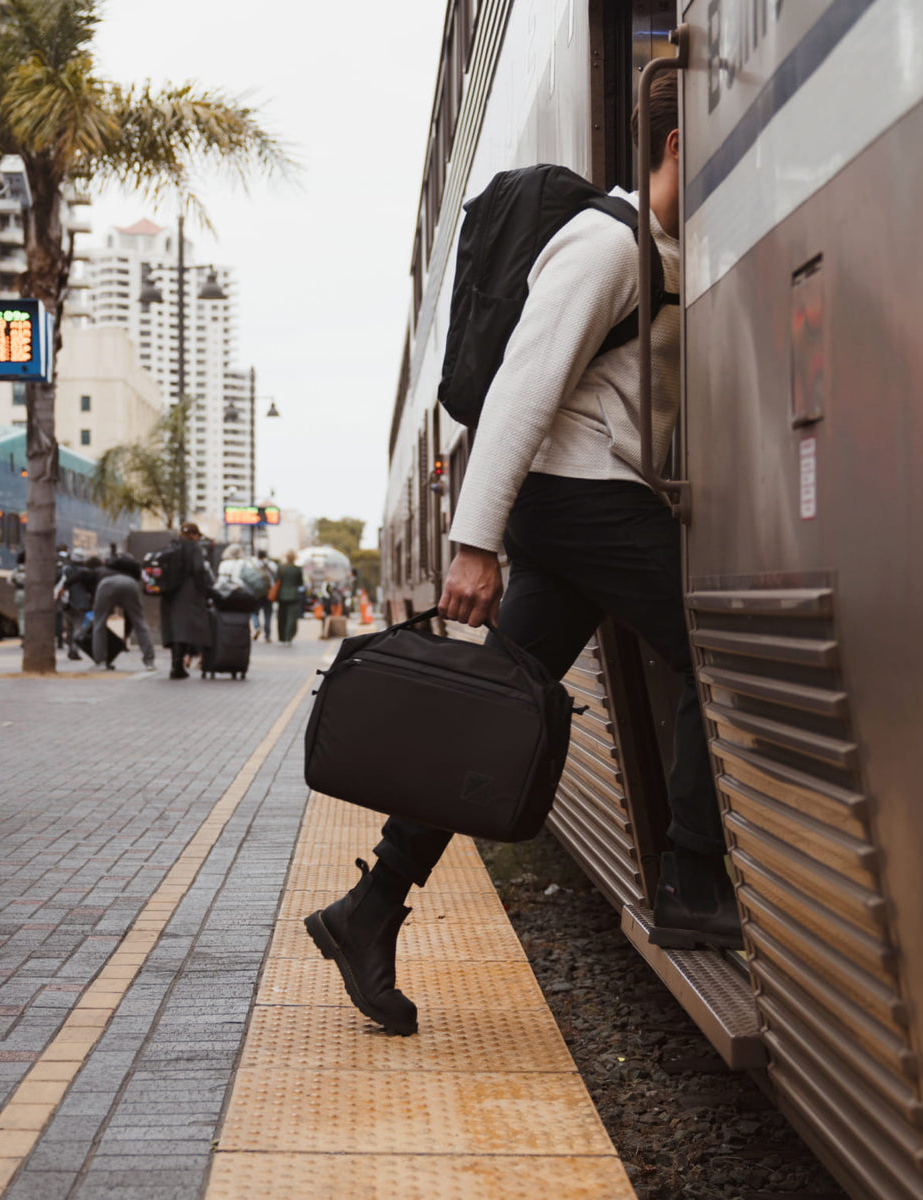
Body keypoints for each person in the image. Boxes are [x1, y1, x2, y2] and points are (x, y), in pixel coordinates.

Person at [306, 75, 738, 1037]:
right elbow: (520, 392)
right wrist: (473, 544)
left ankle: (366, 910)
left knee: (490, 715)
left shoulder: (662, 250)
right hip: (579, 500)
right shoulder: (606, 245)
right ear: (673, 148)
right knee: (720, 649)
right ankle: (697, 880)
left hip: (577, 507)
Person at [160, 522, 214, 679]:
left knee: (175, 629)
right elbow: (198, 569)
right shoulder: (194, 547)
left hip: (170, 593)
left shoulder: (172, 546)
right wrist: (203, 589)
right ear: (195, 535)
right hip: (187, 593)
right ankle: (177, 667)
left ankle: (175, 665)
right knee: (184, 630)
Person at [91, 553, 154, 671]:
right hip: (130, 584)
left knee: (99, 623)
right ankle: (149, 661)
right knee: (140, 623)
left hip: (106, 585)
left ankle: (100, 662)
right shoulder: (132, 569)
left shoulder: (105, 567)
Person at [275, 550, 304, 645]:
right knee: (292, 617)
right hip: (294, 595)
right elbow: (300, 582)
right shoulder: (297, 569)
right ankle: (289, 637)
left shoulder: (281, 568)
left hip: (282, 595)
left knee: (282, 617)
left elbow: (276, 580)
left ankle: (282, 637)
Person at [251, 550, 276, 642]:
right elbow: (275, 576)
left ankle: (257, 626)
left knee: (254, 612)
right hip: (268, 592)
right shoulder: (271, 564)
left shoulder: (253, 564)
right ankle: (267, 635)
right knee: (268, 614)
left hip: (257, 592)